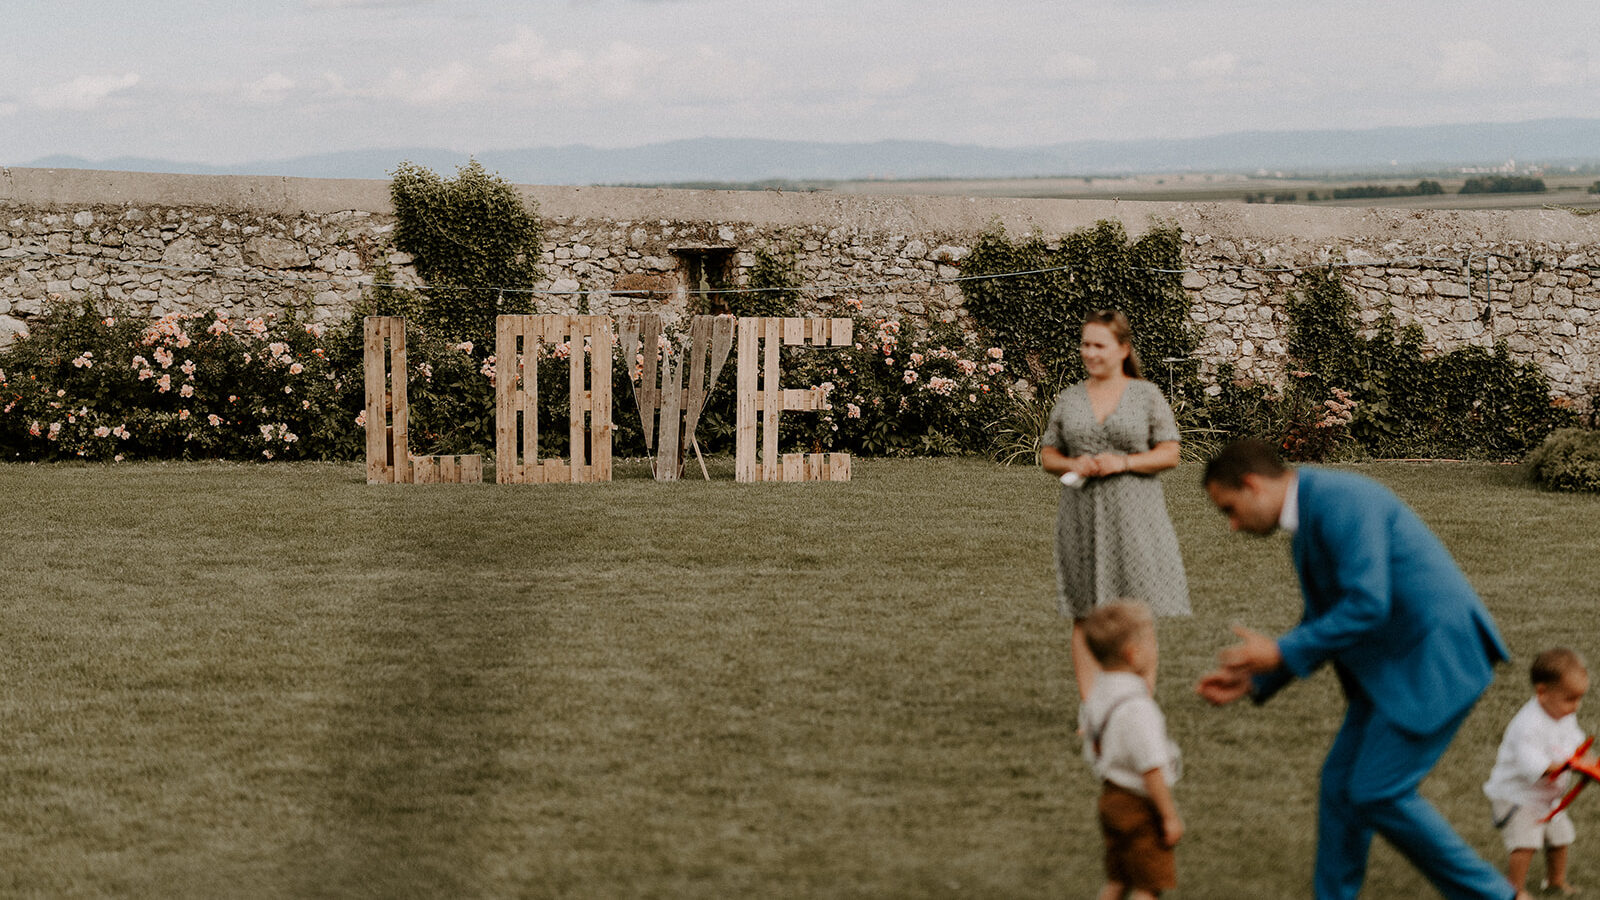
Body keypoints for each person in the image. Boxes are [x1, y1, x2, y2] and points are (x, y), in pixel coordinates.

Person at [1194, 438, 1519, 900]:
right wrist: (1257, 678)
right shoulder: (1311, 510)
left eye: (1229, 508)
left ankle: (1499, 896)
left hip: (1433, 660)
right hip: (1390, 667)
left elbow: (1367, 604)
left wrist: (1282, 652)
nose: (1231, 525)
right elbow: (1324, 618)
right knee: (1341, 789)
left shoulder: (1339, 500)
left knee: (1376, 791)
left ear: (1252, 485)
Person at [1040, 309, 1189, 701]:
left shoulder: (1146, 395)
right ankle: (1093, 710)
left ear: (1122, 349)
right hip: (1081, 514)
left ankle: (1138, 705)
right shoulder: (1070, 398)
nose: (1090, 353)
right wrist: (1072, 463)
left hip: (1135, 513)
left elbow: (1170, 453)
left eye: (1099, 345)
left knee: (1136, 613)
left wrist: (1123, 462)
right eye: (1085, 344)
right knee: (1084, 611)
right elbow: (1048, 455)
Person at [1080, 600, 1182, 900]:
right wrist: (1169, 815)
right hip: (1139, 804)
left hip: (1111, 798)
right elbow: (1150, 768)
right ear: (1132, 652)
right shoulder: (1137, 709)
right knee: (1148, 886)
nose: (1155, 648)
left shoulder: (1098, 694)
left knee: (1117, 879)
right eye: (1151, 641)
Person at [1483, 647, 1593, 898]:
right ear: (1542, 692)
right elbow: (1536, 766)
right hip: (1517, 797)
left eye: (1579, 698)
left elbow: (1575, 745)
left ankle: (1555, 882)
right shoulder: (1527, 726)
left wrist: (1588, 763)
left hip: (1546, 798)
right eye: (1570, 699)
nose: (1575, 706)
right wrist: (1572, 766)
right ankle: (1515, 891)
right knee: (1525, 844)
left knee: (1559, 839)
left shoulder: (1563, 715)